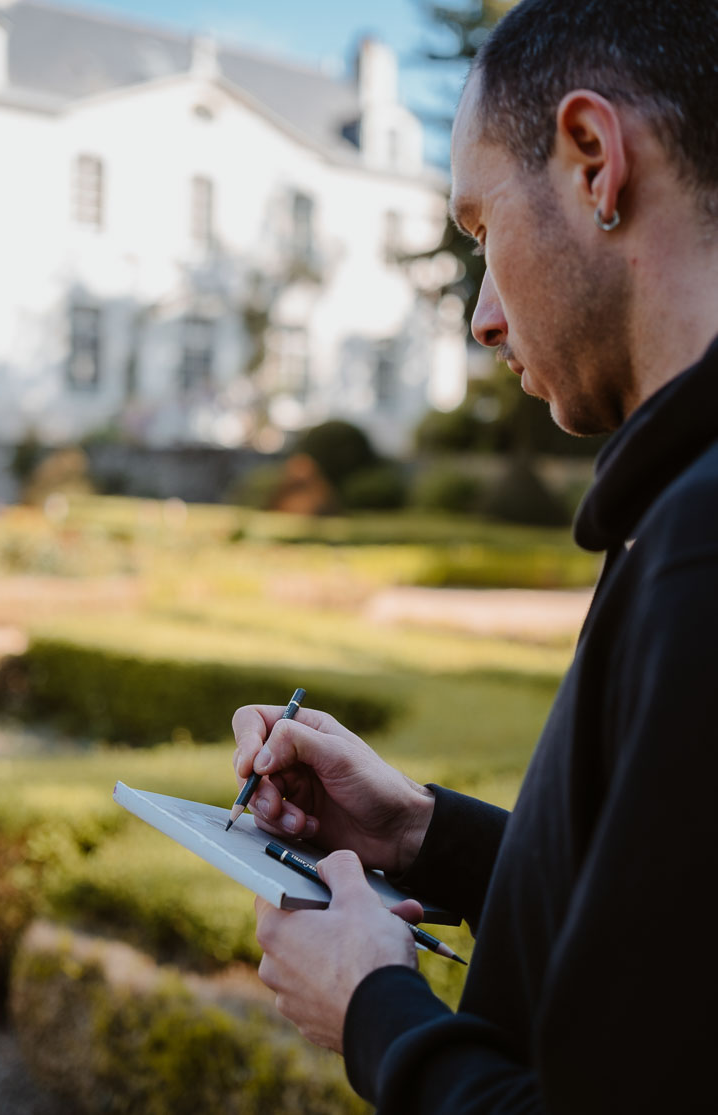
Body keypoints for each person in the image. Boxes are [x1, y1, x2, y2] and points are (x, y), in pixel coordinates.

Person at [233, 1, 718, 1109]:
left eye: (481, 227)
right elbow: (662, 952)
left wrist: (374, 1008)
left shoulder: (702, 542)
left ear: (595, 162)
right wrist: (420, 831)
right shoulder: (675, 497)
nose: (483, 317)